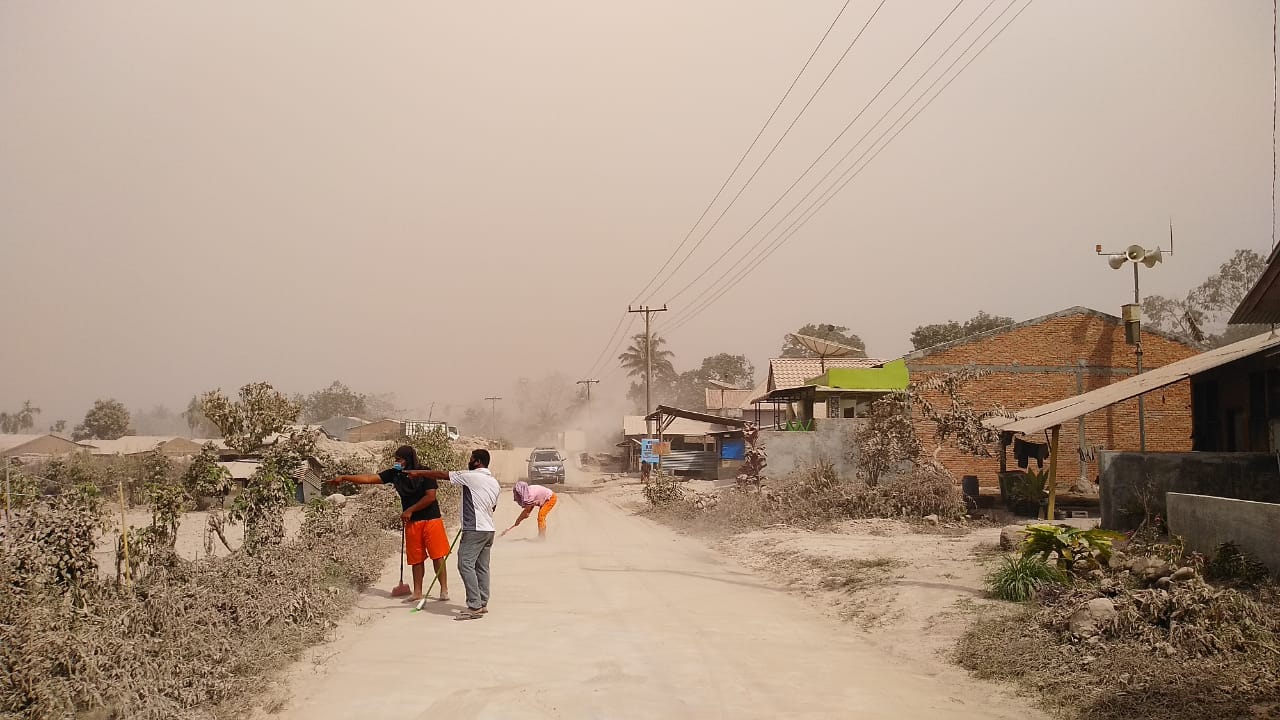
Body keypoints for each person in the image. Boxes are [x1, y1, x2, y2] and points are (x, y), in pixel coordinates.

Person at [334, 445, 450, 602]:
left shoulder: (425, 472)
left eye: (399, 459)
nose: (396, 462)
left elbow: (430, 497)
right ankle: (417, 592)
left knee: (437, 556)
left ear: (408, 460)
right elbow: (369, 479)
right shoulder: (395, 474)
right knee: (416, 559)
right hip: (412, 522)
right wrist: (345, 477)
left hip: (431, 519)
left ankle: (444, 590)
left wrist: (410, 510)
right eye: (395, 459)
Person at [404, 448, 500, 621]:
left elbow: (442, 474)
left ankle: (474, 606)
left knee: (465, 564)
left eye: (471, 458)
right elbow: (492, 507)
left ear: (477, 461)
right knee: (481, 567)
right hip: (488, 529)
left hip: (474, 529)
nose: (469, 461)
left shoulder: (470, 476)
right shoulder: (493, 482)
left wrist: (418, 472)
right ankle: (482, 603)